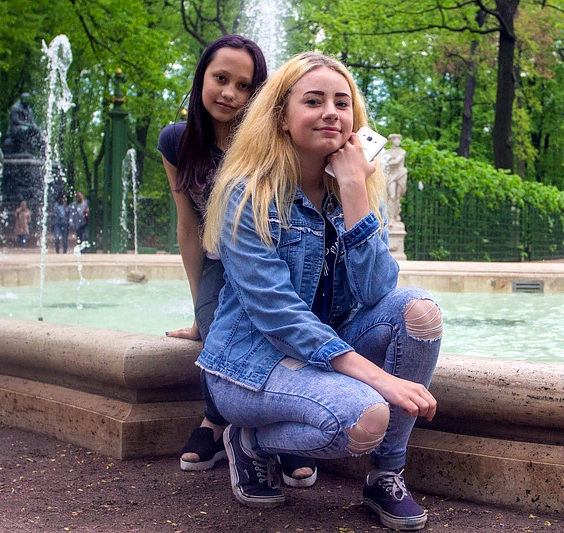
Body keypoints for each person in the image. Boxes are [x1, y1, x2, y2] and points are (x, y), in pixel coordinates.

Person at [199, 52, 442, 530]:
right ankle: (249, 442)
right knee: (366, 416)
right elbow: (279, 315)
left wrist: (353, 190)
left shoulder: (351, 188)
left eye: (341, 103)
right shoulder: (247, 194)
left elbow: (377, 290)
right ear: (281, 117)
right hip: (251, 366)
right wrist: (379, 378)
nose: (331, 112)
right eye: (313, 101)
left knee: (419, 312)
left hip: (321, 357)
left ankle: (386, 475)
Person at [158, 35, 316, 485]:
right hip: (217, 259)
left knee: (277, 328)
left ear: (258, 94)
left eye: (244, 86)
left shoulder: (272, 144)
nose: (229, 93)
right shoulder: (176, 141)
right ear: (201, 79)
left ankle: (261, 426)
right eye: (221, 79)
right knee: (216, 329)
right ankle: (219, 420)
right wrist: (198, 308)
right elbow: (188, 225)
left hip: (270, 256)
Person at [384, 133, 407, 224]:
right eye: (396, 140)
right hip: (391, 174)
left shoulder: (402, 151)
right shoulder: (387, 152)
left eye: (399, 140)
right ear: (392, 141)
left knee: (398, 196)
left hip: (401, 173)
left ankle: (396, 214)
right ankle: (391, 217)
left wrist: (386, 162)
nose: (398, 142)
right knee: (392, 196)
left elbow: (397, 161)